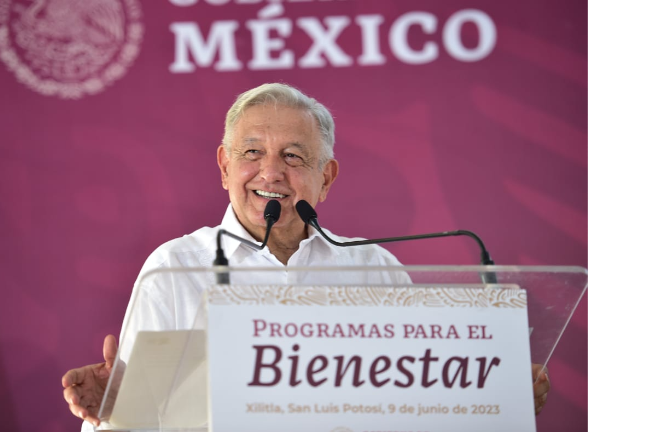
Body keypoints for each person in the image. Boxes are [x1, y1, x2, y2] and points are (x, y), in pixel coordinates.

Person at [61, 83, 551, 428]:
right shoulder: (175, 268)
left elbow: (421, 406)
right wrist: (115, 408)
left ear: (327, 178)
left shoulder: (373, 269)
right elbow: (135, 418)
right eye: (251, 153)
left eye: (293, 157)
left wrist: (498, 397)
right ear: (225, 165)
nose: (269, 172)